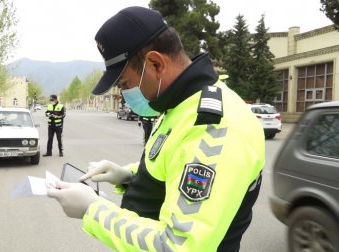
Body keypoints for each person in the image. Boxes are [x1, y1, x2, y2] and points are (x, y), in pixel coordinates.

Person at [47, 6, 265, 251]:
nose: (124, 93)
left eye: (125, 83)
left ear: (155, 64)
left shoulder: (214, 126)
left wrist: (93, 210)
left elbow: (178, 245)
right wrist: (129, 174)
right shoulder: (180, 105)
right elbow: (173, 162)